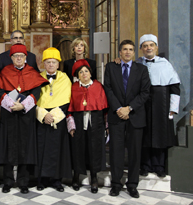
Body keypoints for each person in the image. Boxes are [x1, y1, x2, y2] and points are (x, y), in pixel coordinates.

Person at [0, 44, 49, 194]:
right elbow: (0, 90)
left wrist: (23, 106)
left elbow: (36, 92)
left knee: (25, 147)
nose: (18, 58)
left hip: (26, 114)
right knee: (8, 146)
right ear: (11, 58)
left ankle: (23, 181)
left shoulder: (32, 72)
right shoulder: (5, 72)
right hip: (9, 112)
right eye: (15, 56)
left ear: (26, 58)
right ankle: (7, 181)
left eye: (21, 56)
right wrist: (12, 104)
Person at [103, 40, 151, 198]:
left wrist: (129, 108)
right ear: (120, 52)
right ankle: (116, 184)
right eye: (125, 49)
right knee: (116, 152)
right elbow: (108, 89)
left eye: (131, 49)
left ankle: (132, 185)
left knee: (134, 153)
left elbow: (145, 92)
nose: (128, 52)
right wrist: (118, 109)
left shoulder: (142, 69)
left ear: (134, 52)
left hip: (135, 116)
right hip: (116, 116)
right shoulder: (111, 67)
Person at [137, 34, 180, 178]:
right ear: (141, 49)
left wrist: (173, 108)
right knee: (144, 134)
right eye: (145, 46)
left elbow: (175, 87)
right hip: (143, 104)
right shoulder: (137, 64)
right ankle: (145, 165)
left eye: (151, 45)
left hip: (161, 104)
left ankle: (159, 166)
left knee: (160, 135)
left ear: (156, 47)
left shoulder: (165, 64)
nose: (148, 48)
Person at [67, 59, 108, 193]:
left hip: (95, 122)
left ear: (90, 73)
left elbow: (104, 109)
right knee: (78, 149)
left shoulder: (98, 86)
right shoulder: (73, 88)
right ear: (77, 75)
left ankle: (94, 178)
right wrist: (71, 126)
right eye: (81, 72)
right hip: (79, 122)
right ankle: (76, 176)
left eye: (86, 71)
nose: (84, 74)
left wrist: (106, 127)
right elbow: (70, 109)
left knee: (94, 149)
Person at [35, 47, 72, 192]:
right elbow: (33, 99)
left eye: (54, 62)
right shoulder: (37, 77)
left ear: (58, 64)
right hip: (42, 119)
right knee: (41, 148)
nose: (51, 65)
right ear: (43, 63)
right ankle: (41, 179)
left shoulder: (64, 78)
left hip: (58, 119)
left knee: (58, 149)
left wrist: (53, 116)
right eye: (48, 62)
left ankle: (57, 180)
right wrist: (43, 115)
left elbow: (67, 100)